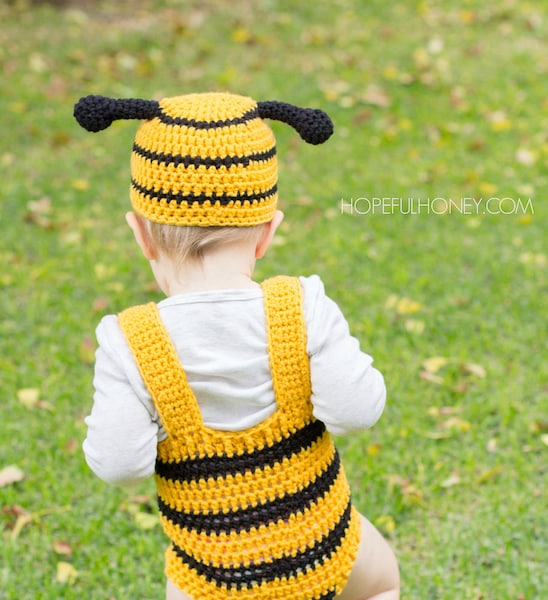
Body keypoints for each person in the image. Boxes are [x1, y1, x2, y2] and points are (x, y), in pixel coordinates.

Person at [75, 91, 400, 600]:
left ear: (141, 235)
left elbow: (118, 464)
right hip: (319, 546)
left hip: (213, 576)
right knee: (380, 581)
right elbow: (359, 411)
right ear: (267, 232)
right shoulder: (302, 307)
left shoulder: (129, 342)